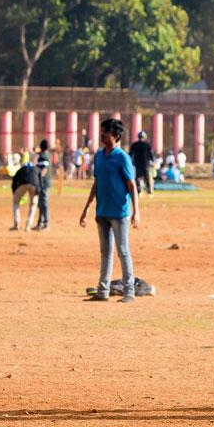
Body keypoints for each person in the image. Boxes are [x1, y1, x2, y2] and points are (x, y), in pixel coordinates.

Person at [79, 118, 140, 303]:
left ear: (116, 135)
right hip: (102, 211)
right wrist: (86, 208)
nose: (102, 135)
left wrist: (136, 211)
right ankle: (103, 291)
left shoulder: (122, 158)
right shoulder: (99, 156)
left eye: (105, 131)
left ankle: (129, 292)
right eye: (102, 131)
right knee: (105, 252)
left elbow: (132, 185)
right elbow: (97, 183)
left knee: (123, 251)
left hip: (119, 212)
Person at [10, 158, 39, 232]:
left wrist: (15, 193)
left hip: (22, 184)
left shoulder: (21, 169)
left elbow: (14, 181)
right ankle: (28, 226)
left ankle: (16, 224)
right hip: (34, 185)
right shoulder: (36, 169)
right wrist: (38, 192)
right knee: (33, 204)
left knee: (16, 202)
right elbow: (40, 181)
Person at [128, 131, 154, 196]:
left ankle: (139, 191)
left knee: (138, 178)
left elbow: (130, 154)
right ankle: (149, 191)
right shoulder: (147, 145)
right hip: (146, 164)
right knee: (147, 177)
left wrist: (130, 161)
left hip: (137, 163)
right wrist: (152, 161)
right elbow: (150, 155)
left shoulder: (135, 145)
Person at [34, 140, 52, 230]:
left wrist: (38, 178)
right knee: (41, 203)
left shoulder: (43, 156)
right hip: (44, 182)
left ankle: (46, 223)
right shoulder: (46, 154)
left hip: (43, 183)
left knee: (43, 203)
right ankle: (40, 223)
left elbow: (44, 169)